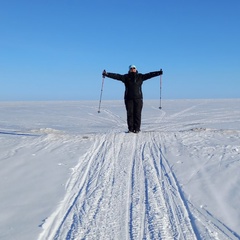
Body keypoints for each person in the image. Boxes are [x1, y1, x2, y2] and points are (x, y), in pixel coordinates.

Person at [102, 65, 163, 133]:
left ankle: (137, 129)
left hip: (138, 99)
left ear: (136, 69)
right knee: (130, 114)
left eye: (134, 68)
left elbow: (150, 74)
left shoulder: (140, 76)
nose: (132, 69)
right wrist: (107, 74)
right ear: (129, 69)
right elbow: (117, 76)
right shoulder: (126, 77)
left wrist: (158, 73)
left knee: (137, 114)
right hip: (128, 99)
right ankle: (130, 129)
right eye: (131, 68)